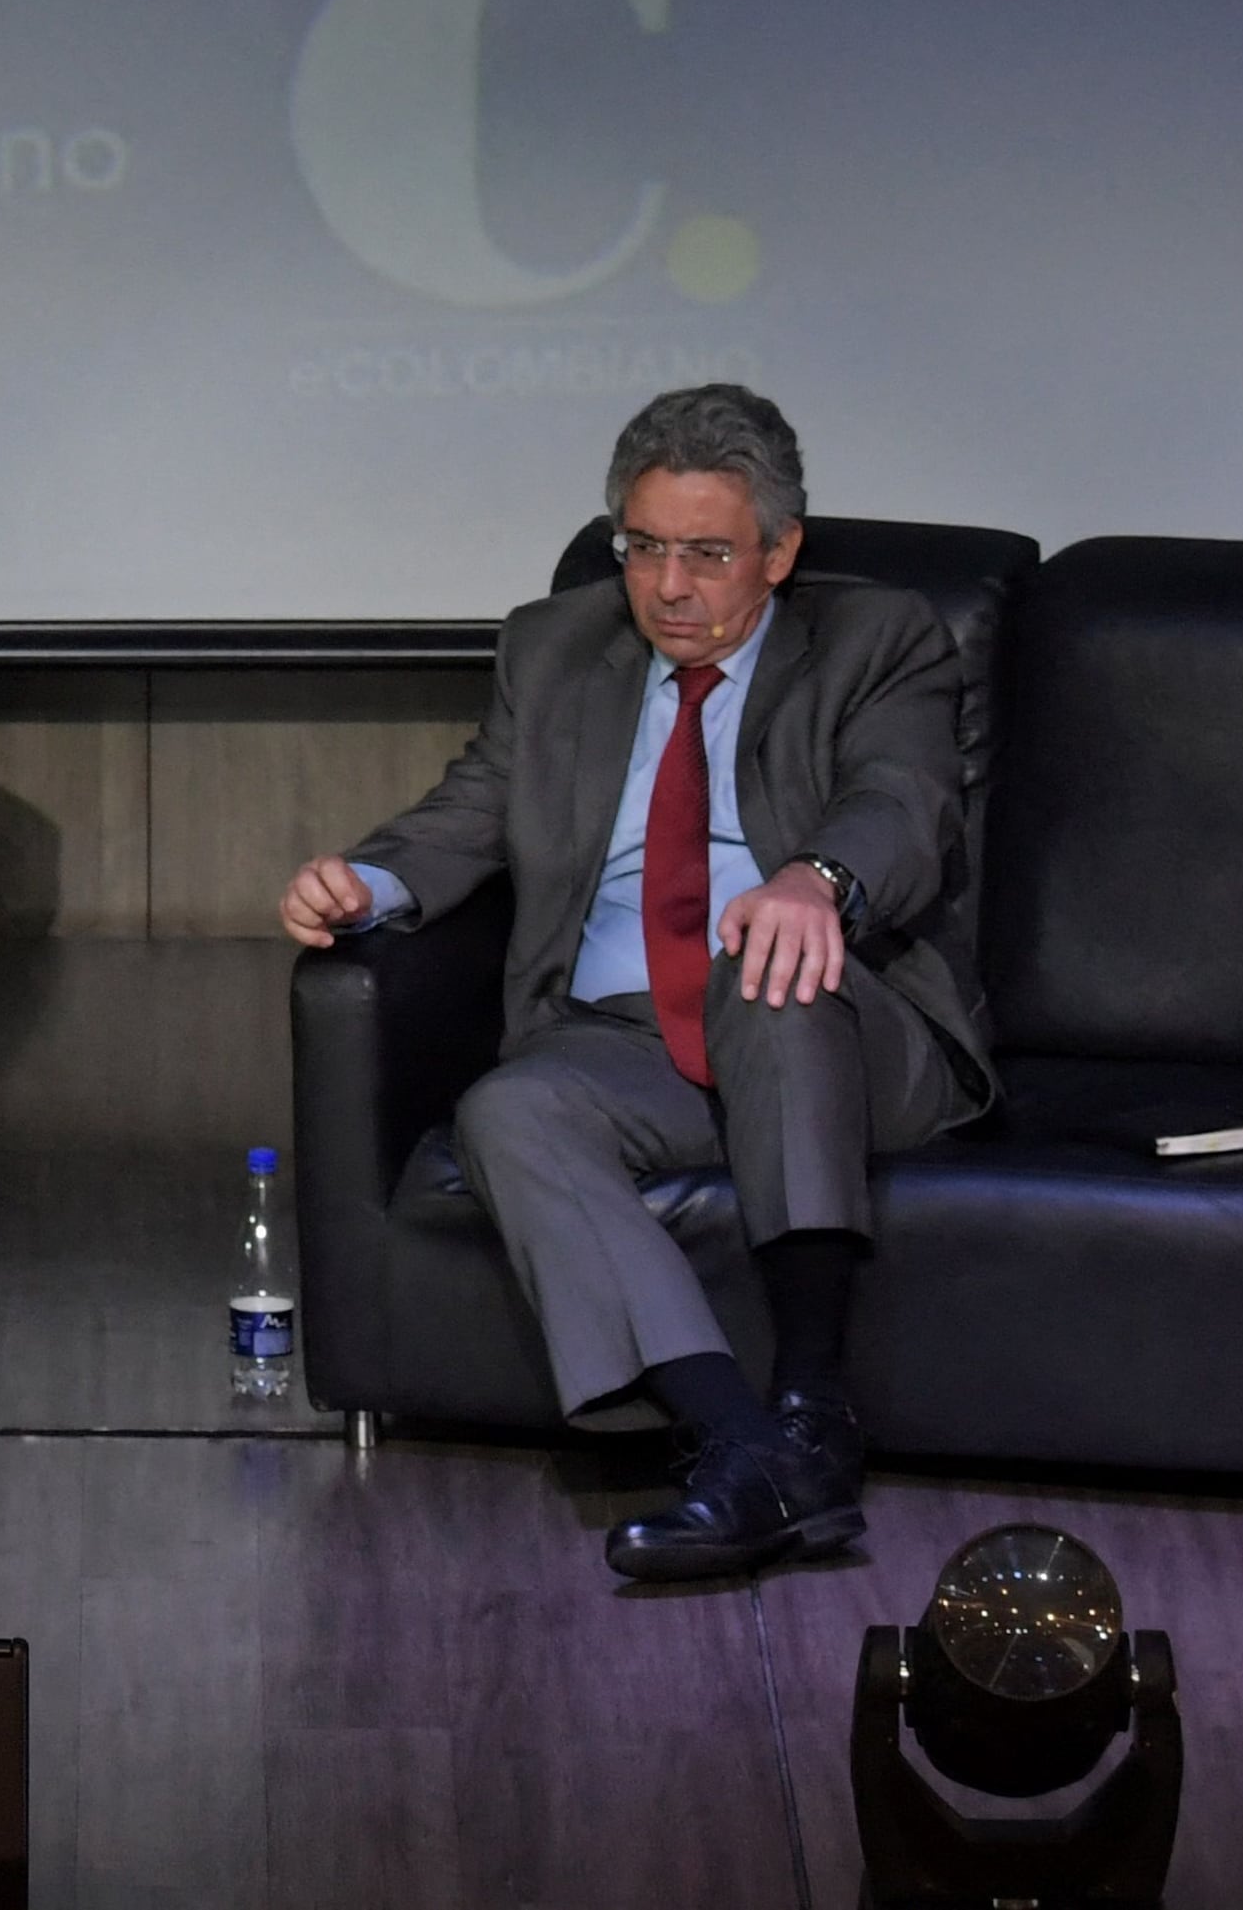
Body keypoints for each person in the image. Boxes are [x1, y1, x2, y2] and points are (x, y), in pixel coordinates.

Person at [279, 382, 994, 1583]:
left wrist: (812, 879)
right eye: (644, 547)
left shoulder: (878, 640)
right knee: (505, 1107)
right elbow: (466, 811)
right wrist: (361, 880)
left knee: (764, 967)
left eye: (707, 553)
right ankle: (740, 1443)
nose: (669, 586)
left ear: (778, 551)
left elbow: (901, 803)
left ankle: (815, 1404)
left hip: (837, 1020)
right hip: (620, 1034)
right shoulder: (553, 647)